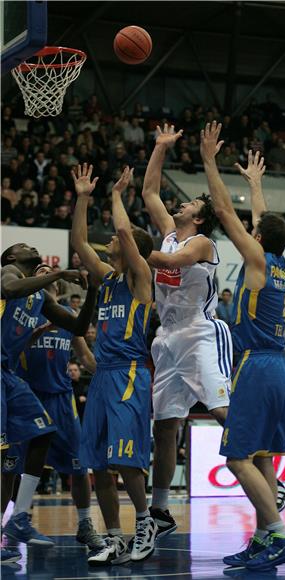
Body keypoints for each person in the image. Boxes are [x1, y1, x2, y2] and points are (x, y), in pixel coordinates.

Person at [201, 121, 285, 571]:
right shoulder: (279, 260)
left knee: (238, 456)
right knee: (262, 456)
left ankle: (279, 533)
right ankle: (264, 537)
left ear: (258, 241)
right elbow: (262, 223)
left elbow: (224, 212)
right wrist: (257, 185)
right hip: (279, 367)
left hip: (257, 365)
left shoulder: (259, 259)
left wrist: (209, 162)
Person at [141, 124, 232, 538]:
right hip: (167, 337)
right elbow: (149, 193)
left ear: (198, 217)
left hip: (200, 333)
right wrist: (160, 148)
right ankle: (160, 510)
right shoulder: (171, 234)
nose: (180, 204)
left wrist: (132, 244)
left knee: (219, 410)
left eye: (190, 203)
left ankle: (271, 478)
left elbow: (170, 264)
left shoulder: (202, 245)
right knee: (165, 424)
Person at [71, 163, 156, 565]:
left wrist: (118, 195)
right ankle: (115, 538)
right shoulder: (106, 279)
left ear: (131, 246)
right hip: (103, 377)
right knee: (99, 467)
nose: (111, 239)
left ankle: (144, 523)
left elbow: (123, 231)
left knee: (124, 458)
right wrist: (83, 199)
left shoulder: (140, 278)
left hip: (130, 373)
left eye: (118, 238)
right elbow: (80, 243)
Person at [1, 244, 97, 550]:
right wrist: (60, 272)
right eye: (23, 247)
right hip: (13, 377)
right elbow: (10, 288)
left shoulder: (40, 298)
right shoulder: (8, 272)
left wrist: (92, 290)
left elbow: (80, 326)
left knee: (44, 434)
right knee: (5, 462)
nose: (31, 248)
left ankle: (19, 519)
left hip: (13, 379)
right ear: (12, 257)